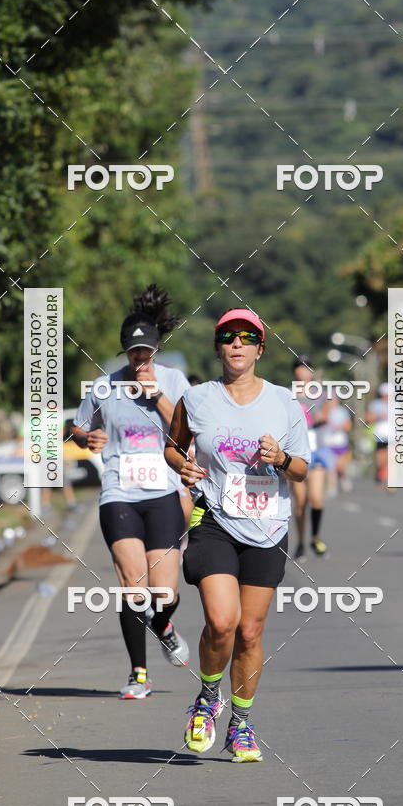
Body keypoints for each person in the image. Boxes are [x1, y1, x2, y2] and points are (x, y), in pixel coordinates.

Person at [165, 308, 310, 762]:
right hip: (214, 519)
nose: (237, 344)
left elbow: (304, 469)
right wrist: (181, 465)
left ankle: (241, 724)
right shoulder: (197, 399)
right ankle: (208, 699)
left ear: (260, 348)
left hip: (267, 525)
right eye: (228, 337)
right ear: (218, 346)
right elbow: (172, 446)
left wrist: (282, 459)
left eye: (248, 337)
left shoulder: (285, 402)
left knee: (249, 631)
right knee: (222, 621)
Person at [72, 285, 190, 699]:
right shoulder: (105, 386)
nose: (141, 358)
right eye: (134, 352)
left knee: (165, 592)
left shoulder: (173, 380)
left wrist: (154, 393)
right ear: (126, 352)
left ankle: (164, 626)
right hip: (119, 492)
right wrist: (87, 439)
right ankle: (138, 673)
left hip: (163, 493)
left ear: (156, 349)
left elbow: (185, 428)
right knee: (134, 588)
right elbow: (77, 426)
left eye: (147, 351)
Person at [288, 356, 332, 561]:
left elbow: (326, 412)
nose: (302, 371)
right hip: (297, 451)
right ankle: (301, 542)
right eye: (299, 367)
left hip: (317, 450)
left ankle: (316, 536)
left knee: (316, 497)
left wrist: (311, 416)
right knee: (300, 501)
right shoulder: (287, 395)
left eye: (306, 367)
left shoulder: (322, 394)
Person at [313, 393, 353, 495]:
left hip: (340, 442)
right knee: (331, 466)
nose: (331, 402)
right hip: (327, 443)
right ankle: (332, 487)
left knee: (340, 466)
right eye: (329, 400)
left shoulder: (341, 411)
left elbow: (348, 426)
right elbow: (317, 421)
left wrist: (341, 427)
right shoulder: (322, 410)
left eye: (333, 400)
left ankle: (344, 477)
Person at [366, 383, 390, 484]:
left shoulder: (397, 404)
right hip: (380, 435)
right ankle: (381, 472)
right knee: (380, 459)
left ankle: (386, 476)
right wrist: (379, 417)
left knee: (390, 457)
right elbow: (368, 418)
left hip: (393, 436)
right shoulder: (375, 404)